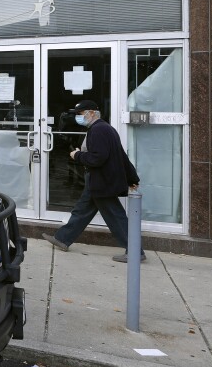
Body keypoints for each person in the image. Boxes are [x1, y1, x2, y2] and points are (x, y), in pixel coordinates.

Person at [42, 99, 143, 262]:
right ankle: (62, 239)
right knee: (82, 211)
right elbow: (121, 156)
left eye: (80, 114)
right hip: (99, 180)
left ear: (91, 113)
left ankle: (135, 252)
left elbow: (98, 158)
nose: (78, 118)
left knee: (116, 218)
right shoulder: (106, 129)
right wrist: (132, 178)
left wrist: (77, 155)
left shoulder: (98, 130)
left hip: (102, 181)